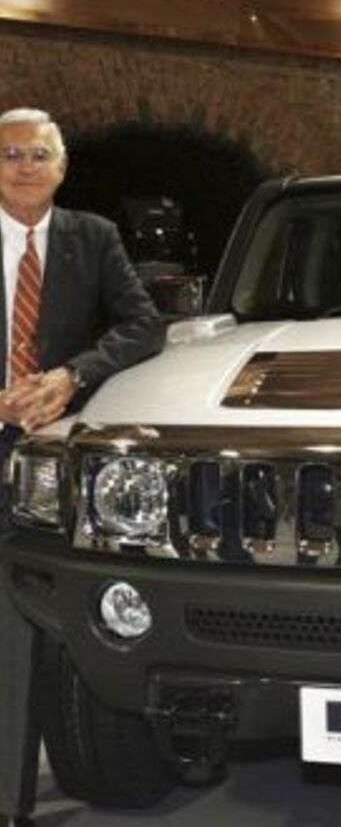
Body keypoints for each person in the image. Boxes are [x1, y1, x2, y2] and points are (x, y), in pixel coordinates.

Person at [0, 108, 165, 826]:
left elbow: (143, 324)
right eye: (9, 153)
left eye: (39, 154)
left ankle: (8, 800)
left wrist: (72, 377)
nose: (25, 166)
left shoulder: (91, 237)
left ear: (62, 168)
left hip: (44, 459)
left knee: (18, 626)